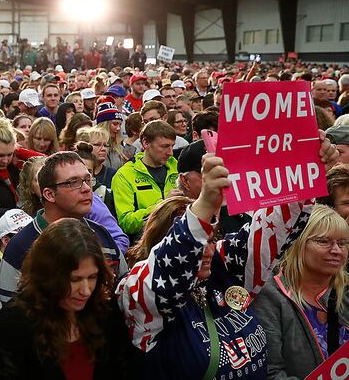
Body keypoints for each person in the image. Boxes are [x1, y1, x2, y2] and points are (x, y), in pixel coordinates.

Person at [116, 135, 338, 380]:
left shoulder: (221, 267)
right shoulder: (137, 291)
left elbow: (271, 230)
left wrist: (308, 170)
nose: (209, 251)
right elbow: (166, 275)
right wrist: (206, 203)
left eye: (212, 239)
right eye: (200, 241)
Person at [0, 219, 137, 379]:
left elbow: (124, 369)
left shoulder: (105, 309)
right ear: (48, 275)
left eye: (92, 277)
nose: (86, 291)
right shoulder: (13, 323)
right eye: (75, 279)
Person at [0, 151, 128, 302]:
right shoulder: (21, 246)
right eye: (73, 182)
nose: (86, 188)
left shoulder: (102, 235)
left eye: (88, 179)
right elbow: (10, 311)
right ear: (49, 194)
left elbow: (123, 292)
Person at [254, 205, 349, 378]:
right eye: (324, 241)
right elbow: (270, 373)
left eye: (342, 243)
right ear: (298, 243)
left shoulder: (346, 288)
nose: (336, 250)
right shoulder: (269, 295)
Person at [111, 121, 178, 240]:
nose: (170, 152)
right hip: (146, 245)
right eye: (164, 146)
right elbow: (126, 223)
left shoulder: (177, 167)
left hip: (179, 241)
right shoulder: (125, 175)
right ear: (146, 143)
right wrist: (163, 206)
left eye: (172, 146)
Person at [94, 102, 125, 170]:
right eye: (115, 124)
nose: (118, 128)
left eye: (120, 124)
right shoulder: (92, 147)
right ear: (104, 124)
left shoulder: (120, 149)